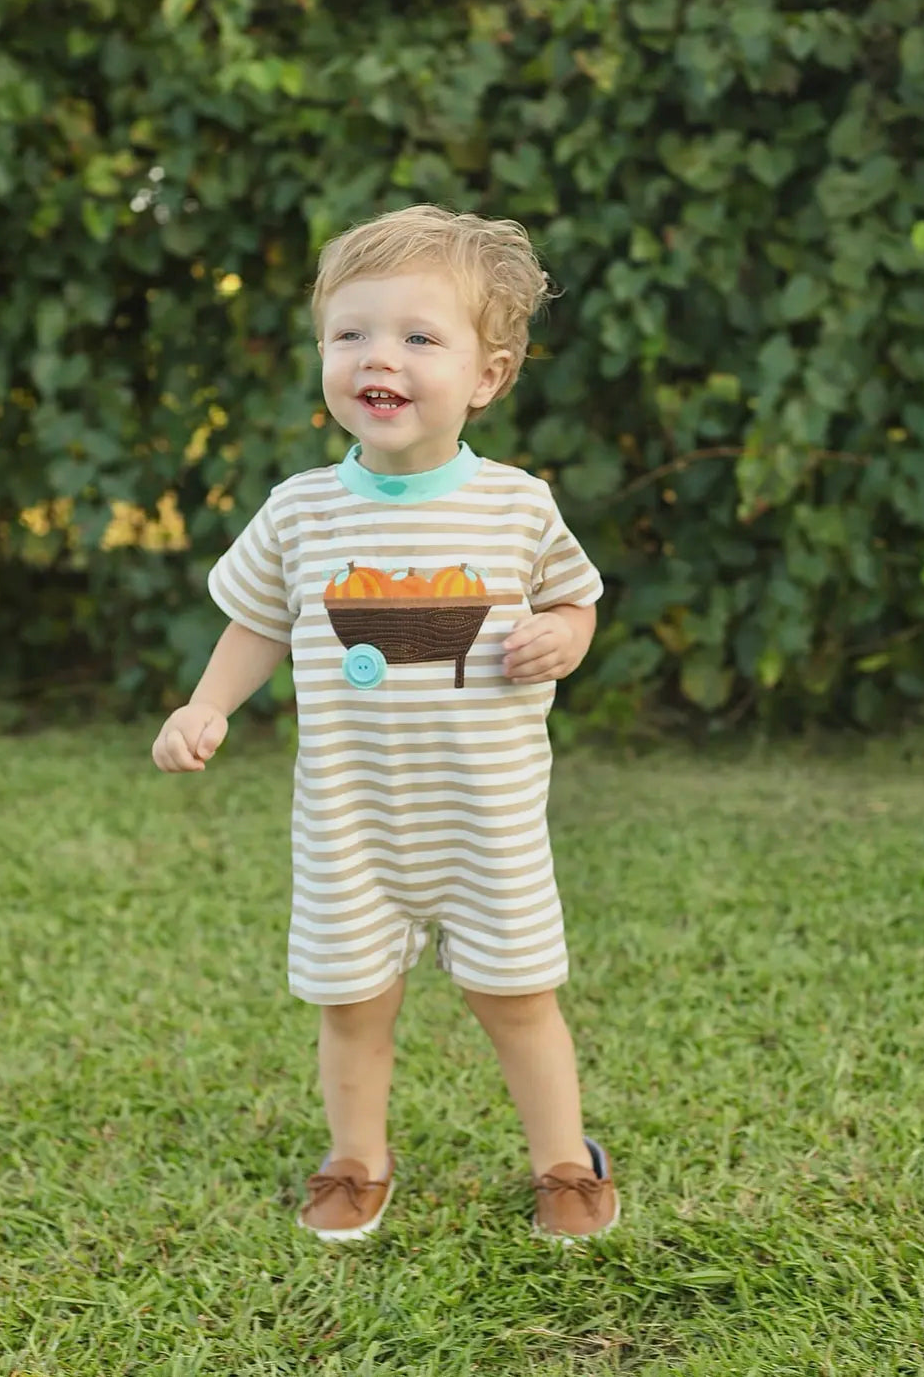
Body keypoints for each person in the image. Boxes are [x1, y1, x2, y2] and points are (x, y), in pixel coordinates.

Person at [152, 204, 617, 1243]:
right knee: (353, 1003)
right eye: (351, 333)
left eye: (418, 336)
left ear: (486, 376)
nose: (380, 357)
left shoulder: (517, 506)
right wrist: (206, 703)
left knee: (517, 997)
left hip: (486, 821)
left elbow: (577, 597)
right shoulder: (302, 510)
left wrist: (564, 634)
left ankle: (564, 1160)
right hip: (352, 824)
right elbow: (256, 620)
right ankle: (357, 1157)